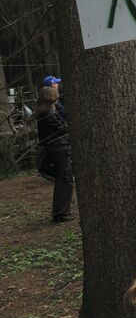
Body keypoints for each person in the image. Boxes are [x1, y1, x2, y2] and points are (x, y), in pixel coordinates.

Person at [36, 85, 74, 223]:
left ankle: (61, 211)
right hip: (59, 150)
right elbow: (63, 129)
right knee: (65, 180)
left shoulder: (44, 113)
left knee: (63, 180)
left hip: (56, 150)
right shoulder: (48, 114)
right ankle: (61, 213)